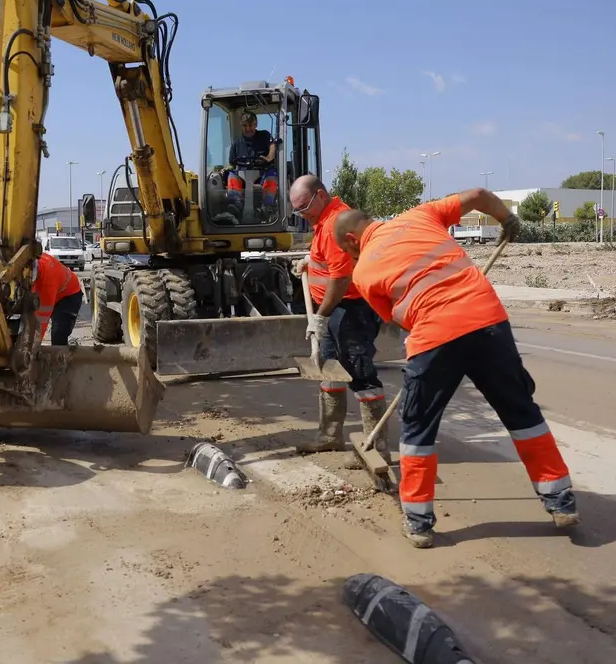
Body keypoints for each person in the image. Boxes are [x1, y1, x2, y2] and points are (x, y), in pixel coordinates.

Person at [334, 189, 578, 548]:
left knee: (419, 426)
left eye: (347, 250)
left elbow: (400, 319)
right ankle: (560, 502)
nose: (350, 255)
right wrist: (507, 221)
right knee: (522, 412)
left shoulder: (365, 271)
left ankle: (418, 522)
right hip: (489, 323)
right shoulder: (420, 215)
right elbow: (479, 194)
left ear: (353, 240)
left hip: (435, 338)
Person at [287, 175, 387, 454]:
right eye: (297, 210)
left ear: (320, 195)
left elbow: (341, 278)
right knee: (329, 371)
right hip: (336, 310)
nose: (302, 214)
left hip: (350, 310)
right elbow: (330, 261)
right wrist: (311, 261)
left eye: (304, 207)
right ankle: (329, 436)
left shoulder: (335, 223)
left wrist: (321, 316)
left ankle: (376, 447)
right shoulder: (325, 218)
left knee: (359, 373)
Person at [226, 110, 278, 219]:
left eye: (250, 125)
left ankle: (267, 206)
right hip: (242, 174)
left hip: (262, 173)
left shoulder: (264, 135)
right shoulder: (236, 143)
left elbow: (273, 146)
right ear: (241, 126)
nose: (248, 128)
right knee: (232, 176)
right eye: (245, 125)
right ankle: (235, 204)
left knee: (271, 177)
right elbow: (232, 162)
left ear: (255, 124)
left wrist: (268, 158)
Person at [32, 252, 83, 345]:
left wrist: (35, 344)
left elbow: (42, 318)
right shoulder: (33, 256)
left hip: (69, 296)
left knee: (59, 335)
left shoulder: (47, 280)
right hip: (54, 290)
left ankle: (60, 356)